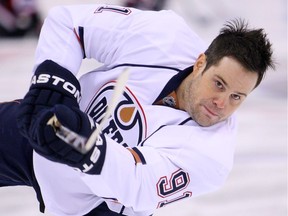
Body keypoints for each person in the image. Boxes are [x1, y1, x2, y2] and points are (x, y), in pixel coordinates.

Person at [1, 3, 274, 216]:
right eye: (219, 84)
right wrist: (53, 87)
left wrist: (83, 144)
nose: (221, 103)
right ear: (201, 63)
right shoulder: (164, 35)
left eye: (237, 96)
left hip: (93, 208)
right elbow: (70, 24)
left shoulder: (214, 156)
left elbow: (139, 185)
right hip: (44, 127)